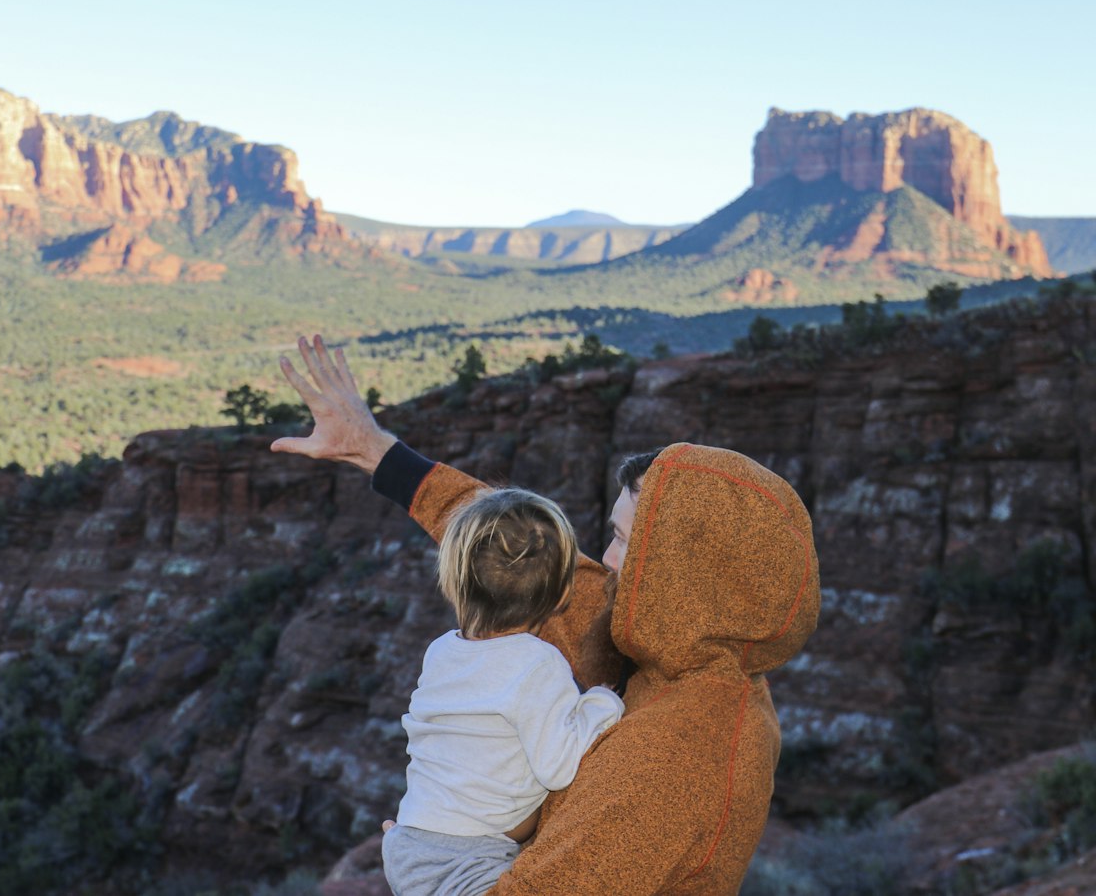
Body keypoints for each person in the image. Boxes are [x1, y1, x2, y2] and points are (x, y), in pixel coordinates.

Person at [273, 335, 820, 894]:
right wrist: (377, 452)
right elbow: (512, 553)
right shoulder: (676, 639)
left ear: (681, 573)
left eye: (624, 541)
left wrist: (433, 860)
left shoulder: (683, 758)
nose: (604, 559)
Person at [384, 487, 624, 896]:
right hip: (469, 858)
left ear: (454, 580)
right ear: (563, 593)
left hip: (408, 842)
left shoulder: (442, 650)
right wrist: (601, 701)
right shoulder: (538, 664)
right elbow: (558, 764)